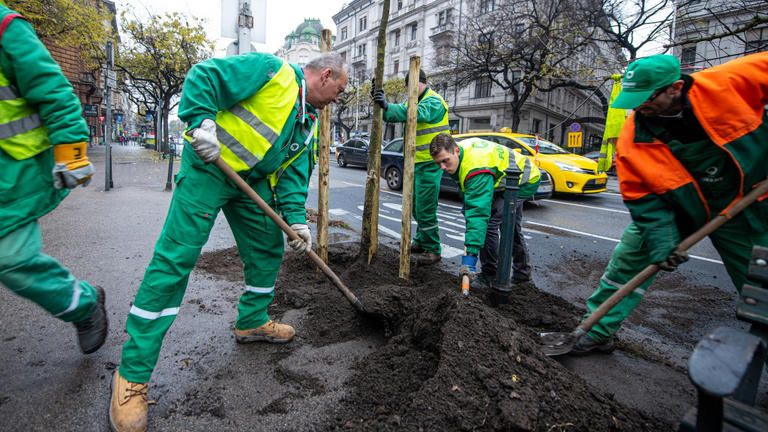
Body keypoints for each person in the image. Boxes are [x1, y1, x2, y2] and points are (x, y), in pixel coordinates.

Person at [108, 52, 348, 432]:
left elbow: (292, 174)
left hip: (249, 183)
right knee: (175, 260)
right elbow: (205, 75)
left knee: (268, 246)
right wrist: (202, 123)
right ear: (327, 75)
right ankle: (132, 376)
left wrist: (298, 221)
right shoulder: (273, 72)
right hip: (209, 166)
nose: (339, 97)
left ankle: (251, 321)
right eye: (340, 89)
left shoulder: (309, 122)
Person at [572, 52, 768, 354]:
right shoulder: (634, 135)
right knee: (628, 260)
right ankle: (597, 330)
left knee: (761, 285)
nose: (638, 107)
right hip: (677, 205)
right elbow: (641, 196)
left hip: (743, 202)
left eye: (645, 98)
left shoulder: (728, 83)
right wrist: (661, 239)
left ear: (675, 88)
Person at [0, 2, 106, 355]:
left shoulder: (6, 28)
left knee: (11, 259)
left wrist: (72, 153)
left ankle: (82, 303)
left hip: (12, 175)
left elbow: (55, 91)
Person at [429, 133, 541, 287]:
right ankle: (522, 276)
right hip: (507, 180)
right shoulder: (460, 155)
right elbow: (468, 191)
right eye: (438, 163)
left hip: (524, 181)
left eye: (445, 161)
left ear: (456, 151)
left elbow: (478, 214)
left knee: (489, 224)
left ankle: (490, 274)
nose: (442, 167)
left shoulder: (475, 166)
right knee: (511, 227)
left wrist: (470, 260)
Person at [373, 69, 450, 265]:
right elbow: (393, 115)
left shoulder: (434, 101)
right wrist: (382, 103)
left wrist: (388, 105)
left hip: (430, 163)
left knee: (425, 208)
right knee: (416, 207)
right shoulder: (411, 101)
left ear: (421, 83)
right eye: (409, 88)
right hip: (415, 163)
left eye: (413, 87)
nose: (410, 92)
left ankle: (433, 249)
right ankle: (421, 241)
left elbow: (417, 114)